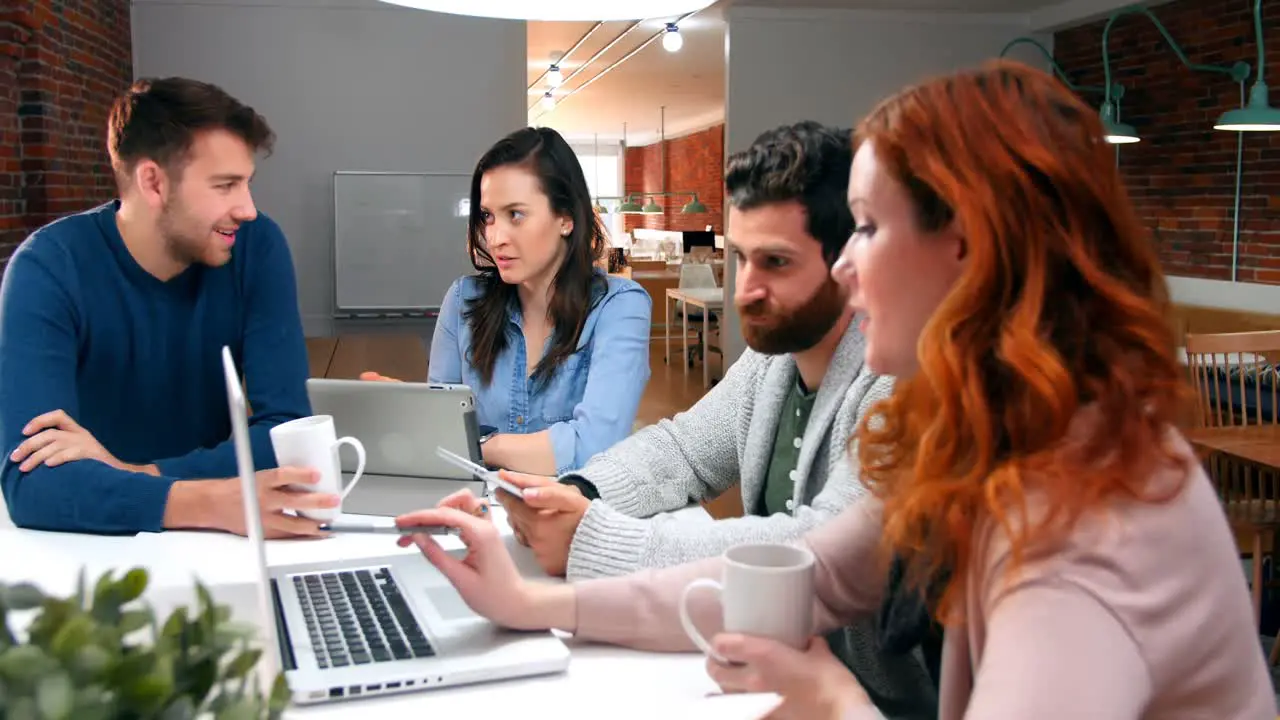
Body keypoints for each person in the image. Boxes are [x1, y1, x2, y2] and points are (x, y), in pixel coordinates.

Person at [393, 60, 1277, 719]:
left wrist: (837, 704)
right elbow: (807, 573)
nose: (847, 269)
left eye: (867, 228)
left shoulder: (1083, 526)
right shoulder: (983, 427)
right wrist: (543, 603)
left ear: (970, 249)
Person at [443, 121, 939, 719]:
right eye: (739, 258)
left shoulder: (901, 376)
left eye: (775, 262)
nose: (745, 290)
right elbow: (681, 450)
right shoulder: (770, 362)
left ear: (850, 263)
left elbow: (809, 552)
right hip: (776, 673)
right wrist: (577, 493)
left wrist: (594, 540)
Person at [0, 77, 335, 537]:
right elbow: (32, 484)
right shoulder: (48, 267)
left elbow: (286, 433)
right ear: (153, 182)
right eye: (225, 185)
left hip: (217, 538)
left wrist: (134, 474)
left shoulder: (255, 247)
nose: (248, 209)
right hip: (89, 544)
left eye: (247, 183)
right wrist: (207, 500)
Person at [363, 126, 651, 476]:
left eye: (516, 214)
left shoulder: (619, 307)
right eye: (488, 216)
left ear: (566, 217)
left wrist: (482, 445)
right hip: (476, 513)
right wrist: (414, 411)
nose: (496, 237)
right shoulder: (462, 302)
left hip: (572, 521)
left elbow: (595, 446)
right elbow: (441, 437)